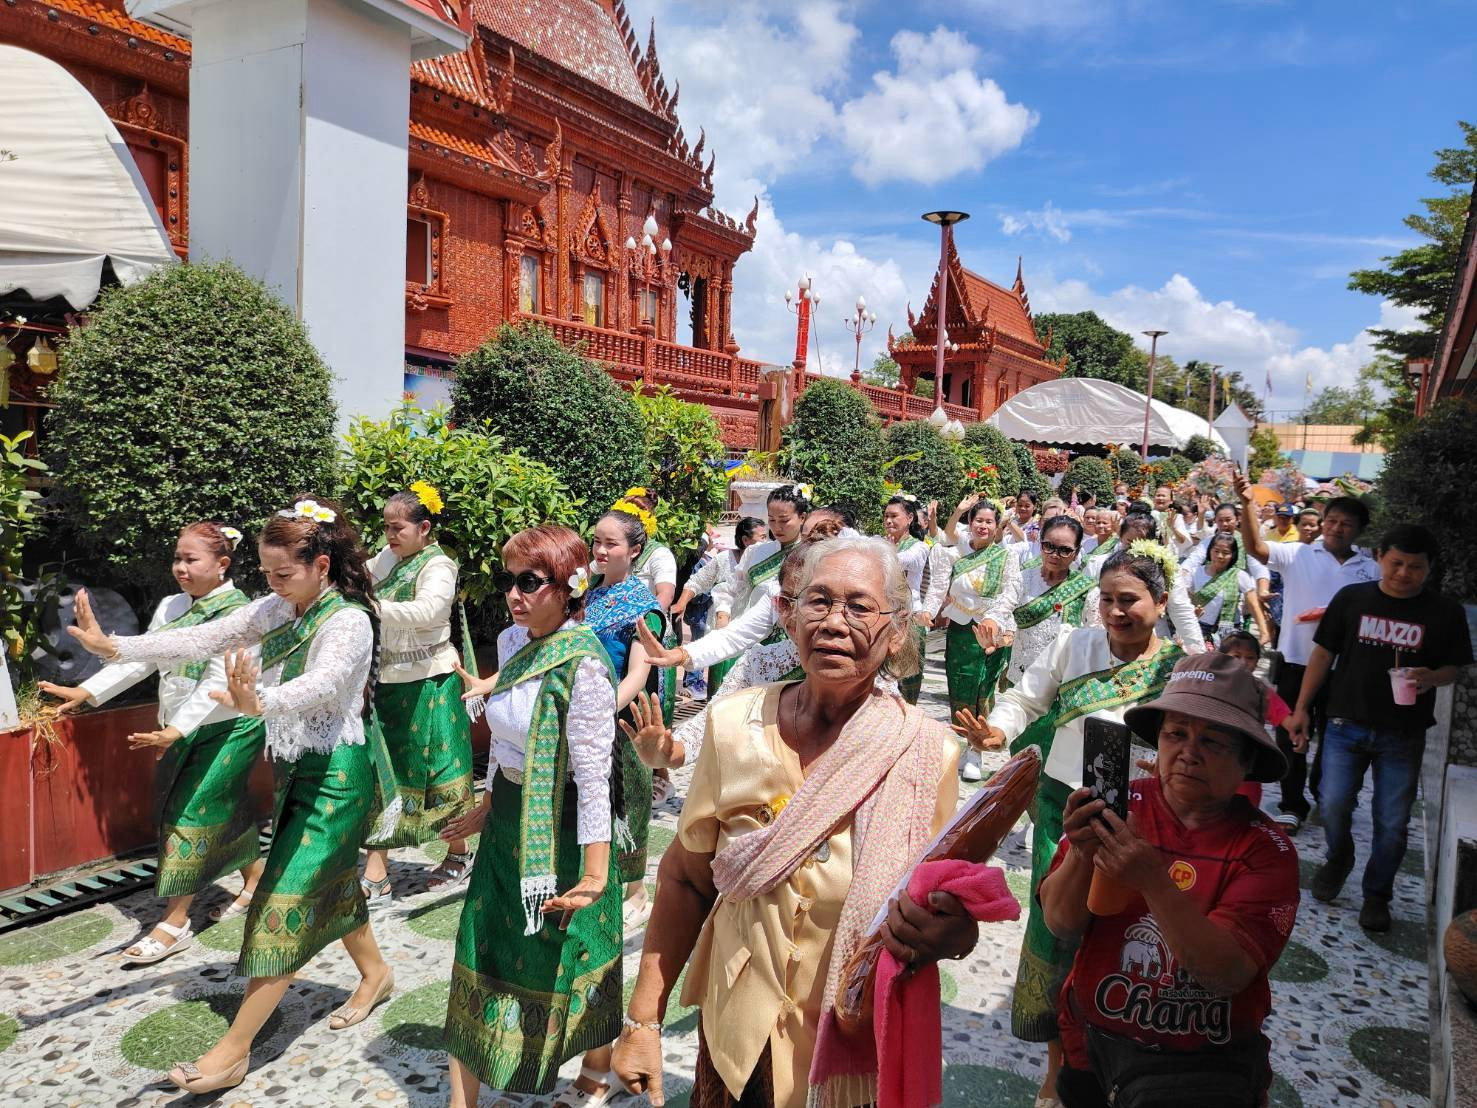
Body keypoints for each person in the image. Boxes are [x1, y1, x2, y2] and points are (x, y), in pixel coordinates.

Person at [610, 536, 977, 1108]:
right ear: (789, 614)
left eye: (859, 607)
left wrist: (952, 934)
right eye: (818, 602)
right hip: (737, 1041)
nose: (834, 622)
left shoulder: (928, 754)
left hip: (850, 1052)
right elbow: (685, 878)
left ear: (898, 630)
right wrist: (642, 1023)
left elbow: (940, 905)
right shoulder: (735, 725)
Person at [64, 497, 394, 1093]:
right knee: (329, 885)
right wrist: (116, 648)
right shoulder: (279, 606)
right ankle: (376, 974)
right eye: (266, 574)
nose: (269, 585)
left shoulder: (347, 620)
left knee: (283, 902)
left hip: (340, 782)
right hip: (297, 772)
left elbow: (325, 687)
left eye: (282, 574)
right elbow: (206, 636)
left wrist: (260, 702)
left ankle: (232, 1051)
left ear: (321, 564)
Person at [969, 548, 1186, 1108]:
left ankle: (1121, 1061)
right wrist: (996, 730)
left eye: (1129, 600)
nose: (1115, 612)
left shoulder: (1177, 669)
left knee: (1119, 938)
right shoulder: (1073, 643)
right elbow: (1024, 697)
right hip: (1063, 809)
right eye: (1107, 600)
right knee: (1057, 930)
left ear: (1160, 604)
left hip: (1140, 818)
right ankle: (1058, 1068)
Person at [1039, 652, 1298, 1108]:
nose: (1188, 753)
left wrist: (1155, 882)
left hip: (1201, 1070)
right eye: (1175, 734)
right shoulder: (1120, 809)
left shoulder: (1265, 850)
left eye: (1214, 741)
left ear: (1247, 761)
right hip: (1091, 1049)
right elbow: (1061, 923)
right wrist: (1082, 852)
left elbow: (1227, 974)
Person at [445, 525, 622, 1108]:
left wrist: (595, 875)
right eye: (508, 581)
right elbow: (504, 743)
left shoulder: (585, 667)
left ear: (568, 589)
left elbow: (595, 778)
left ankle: (597, 1065)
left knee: (574, 951)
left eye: (529, 581)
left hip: (568, 827)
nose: (514, 595)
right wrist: (488, 804)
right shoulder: (512, 642)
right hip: (508, 822)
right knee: (480, 944)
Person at [42, 522, 265, 964]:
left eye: (191, 559)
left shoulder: (242, 614)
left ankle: (174, 921)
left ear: (222, 565)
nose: (180, 567)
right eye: (177, 558)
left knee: (186, 815)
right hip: (177, 728)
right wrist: (89, 692)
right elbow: (146, 656)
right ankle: (256, 879)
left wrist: (177, 728)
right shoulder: (171, 605)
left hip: (227, 730)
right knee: (221, 806)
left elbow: (219, 682)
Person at [1290, 524, 1473, 931]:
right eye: (1397, 563)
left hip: (1403, 733)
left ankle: (1377, 894)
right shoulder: (1352, 599)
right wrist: (1301, 708)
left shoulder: (1445, 612)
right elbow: (1322, 655)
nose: (1404, 573)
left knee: (1392, 821)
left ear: (1430, 569)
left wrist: (1431, 677)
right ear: (1379, 558)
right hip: (1343, 723)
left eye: (1416, 567)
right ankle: (1340, 856)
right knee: (1333, 803)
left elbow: (1452, 669)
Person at [1236, 473, 1379, 833]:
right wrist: (1247, 503)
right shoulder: (1298, 554)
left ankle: (1325, 792)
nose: (1336, 529)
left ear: (1360, 529)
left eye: (1346, 524)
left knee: (1335, 734)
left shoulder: (1370, 569)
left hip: (1345, 668)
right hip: (1295, 660)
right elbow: (1256, 548)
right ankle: (1291, 802)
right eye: (1331, 521)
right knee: (1289, 733)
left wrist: (1333, 616)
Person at [360, 486, 477, 902]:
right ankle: (377, 868)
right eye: (386, 528)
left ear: (424, 528)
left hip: (432, 682)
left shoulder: (438, 565)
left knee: (440, 773)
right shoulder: (388, 558)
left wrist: (369, 608)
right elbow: (358, 576)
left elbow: (429, 611)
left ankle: (459, 851)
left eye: (398, 528)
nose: (390, 536)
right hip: (389, 683)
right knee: (385, 775)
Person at [585, 503, 666, 937]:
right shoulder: (589, 594)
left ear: (634, 550)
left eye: (609, 543)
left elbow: (638, 674)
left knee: (627, 798)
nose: (599, 550)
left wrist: (601, 710)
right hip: (584, 713)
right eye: (596, 541)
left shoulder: (642, 607)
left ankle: (636, 891)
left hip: (620, 717)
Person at [923, 499, 1022, 782]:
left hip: (993, 631)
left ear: (996, 526)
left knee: (983, 689)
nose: (983, 526)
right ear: (971, 523)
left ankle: (976, 751)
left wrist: (994, 619)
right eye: (979, 520)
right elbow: (939, 586)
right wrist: (928, 612)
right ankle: (959, 745)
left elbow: (1010, 592)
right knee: (959, 687)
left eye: (989, 522)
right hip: (961, 631)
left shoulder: (1006, 556)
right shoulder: (958, 555)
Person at [1182, 533, 1273, 647]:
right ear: (1210, 551)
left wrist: (1264, 632)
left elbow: (1253, 605)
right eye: (1216, 551)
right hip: (1199, 628)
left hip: (1229, 633)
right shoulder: (1196, 573)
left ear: (1233, 555)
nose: (1220, 556)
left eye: (1225, 553)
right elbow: (1186, 599)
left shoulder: (1239, 576)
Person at [882, 493, 931, 703]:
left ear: (910, 518)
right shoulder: (879, 542)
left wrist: (882, 553)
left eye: (894, 516)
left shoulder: (919, 547)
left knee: (907, 681)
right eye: (885, 516)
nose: (888, 521)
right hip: (883, 616)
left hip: (908, 617)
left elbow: (906, 561)